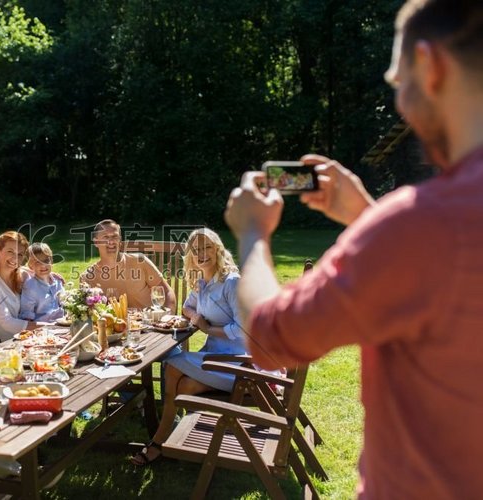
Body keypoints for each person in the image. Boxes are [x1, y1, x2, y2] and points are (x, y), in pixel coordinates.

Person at [225, 0, 483, 496]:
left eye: (397, 81)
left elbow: (269, 337)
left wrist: (254, 234)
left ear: (430, 66)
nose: (400, 102)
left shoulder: (421, 225)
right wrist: (366, 217)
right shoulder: (422, 234)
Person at [131, 228, 248, 466]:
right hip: (213, 357)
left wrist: (206, 329)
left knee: (171, 364)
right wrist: (196, 318)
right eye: (196, 250)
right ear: (191, 256)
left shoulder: (231, 282)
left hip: (238, 363)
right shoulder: (203, 281)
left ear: (217, 249)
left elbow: (242, 328)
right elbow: (186, 307)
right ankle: (171, 436)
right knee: (184, 384)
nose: (202, 254)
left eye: (206, 247)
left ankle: (158, 443)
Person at [80, 219, 176, 310]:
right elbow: (85, 311)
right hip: (110, 325)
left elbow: (166, 291)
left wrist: (167, 317)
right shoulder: (87, 277)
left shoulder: (139, 261)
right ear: (96, 242)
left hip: (147, 324)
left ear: (120, 241)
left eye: (115, 237)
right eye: (105, 237)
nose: (111, 241)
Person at [0, 231, 50, 341]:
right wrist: (49, 326)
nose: (15, 258)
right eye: (10, 251)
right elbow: (7, 323)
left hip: (28, 339)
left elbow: (42, 274)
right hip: (3, 345)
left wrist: (52, 276)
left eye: (20, 254)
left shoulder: (22, 274)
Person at [19, 243, 65, 322]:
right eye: (37, 262)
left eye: (46, 260)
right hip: (42, 327)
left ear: (51, 261)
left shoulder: (57, 281)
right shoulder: (30, 286)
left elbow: (65, 303)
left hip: (62, 324)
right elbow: (27, 314)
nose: (43, 265)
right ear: (30, 266)